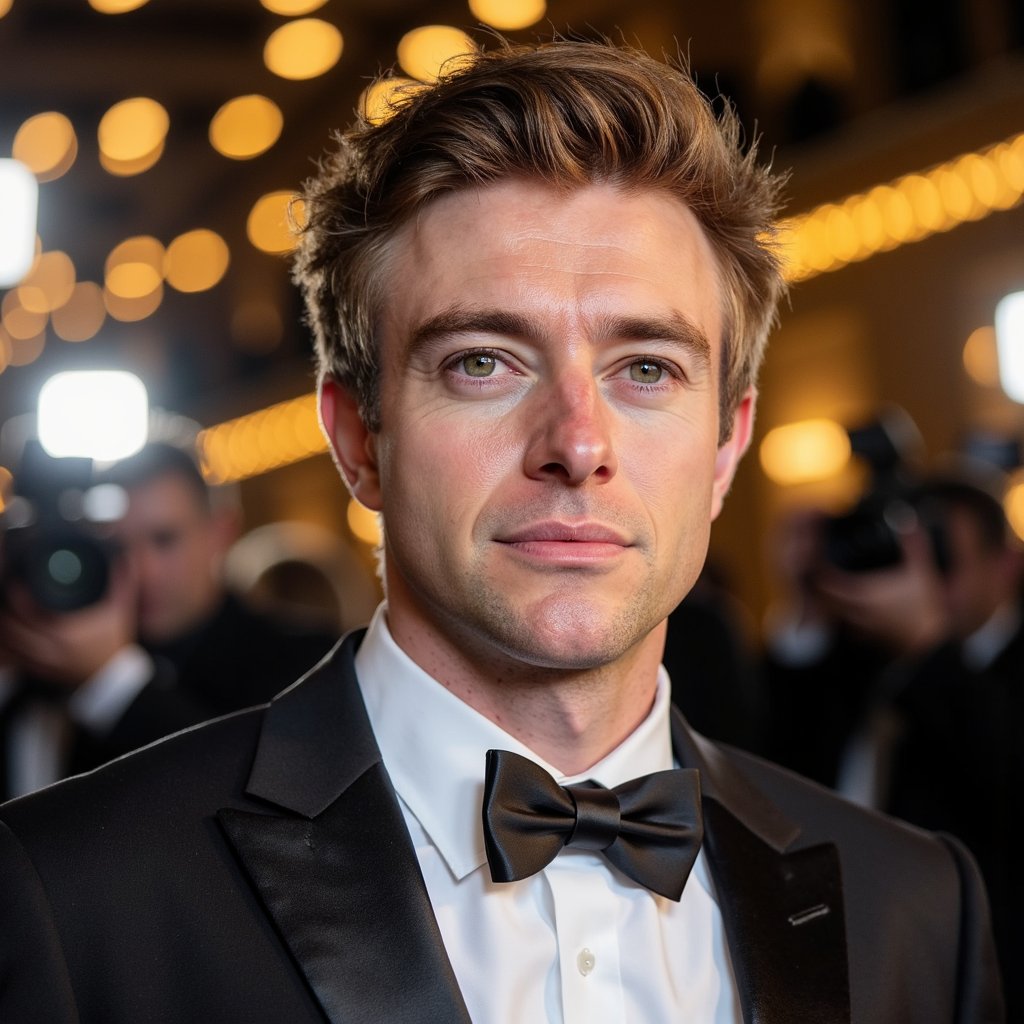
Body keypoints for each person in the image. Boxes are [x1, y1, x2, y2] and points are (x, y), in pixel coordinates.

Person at [0, 38, 1003, 1023]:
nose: (576, 443)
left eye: (645, 369)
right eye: (484, 362)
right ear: (358, 440)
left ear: (726, 445)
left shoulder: (916, 908)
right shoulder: (66, 893)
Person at [0, 442, 336, 799]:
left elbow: (254, 795)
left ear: (221, 532)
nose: (142, 571)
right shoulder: (50, 668)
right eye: (118, 546)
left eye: (164, 540)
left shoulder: (303, 661)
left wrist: (111, 679)